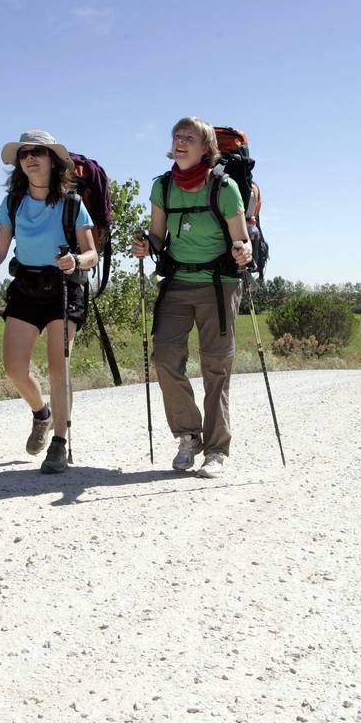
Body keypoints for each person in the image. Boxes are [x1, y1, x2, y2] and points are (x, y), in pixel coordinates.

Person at [0, 130, 97, 475]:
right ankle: (42, 414)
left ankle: (60, 444)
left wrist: (77, 262)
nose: (30, 158)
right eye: (24, 154)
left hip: (63, 287)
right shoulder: (13, 203)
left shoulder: (72, 203)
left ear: (53, 160)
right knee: (14, 368)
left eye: (38, 152)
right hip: (26, 286)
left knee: (57, 366)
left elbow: (92, 252)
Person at [131, 116, 252, 479]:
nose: (180, 142)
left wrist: (243, 252)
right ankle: (188, 436)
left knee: (216, 367)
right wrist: (144, 245)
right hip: (178, 282)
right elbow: (157, 236)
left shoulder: (225, 187)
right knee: (165, 357)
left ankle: (216, 451)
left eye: (189, 137)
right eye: (176, 136)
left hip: (219, 284)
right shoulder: (162, 187)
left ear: (205, 148)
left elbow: (241, 238)